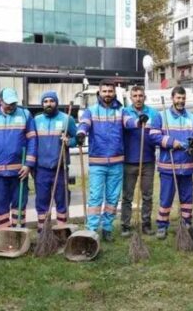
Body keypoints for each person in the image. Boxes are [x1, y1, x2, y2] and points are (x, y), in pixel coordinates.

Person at [0, 87, 37, 230]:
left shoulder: (25, 114)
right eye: (8, 103)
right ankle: (3, 234)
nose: (11, 106)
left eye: (14, 103)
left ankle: (18, 232)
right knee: (0, 205)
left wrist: (29, 164)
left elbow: (32, 140)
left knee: (19, 204)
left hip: (20, 171)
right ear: (0, 101)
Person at [75, 79, 125, 241]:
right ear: (99, 93)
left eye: (110, 91)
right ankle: (92, 229)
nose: (107, 94)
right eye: (105, 91)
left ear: (114, 93)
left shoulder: (121, 111)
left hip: (117, 162)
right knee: (96, 198)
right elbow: (84, 124)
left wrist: (139, 122)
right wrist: (81, 133)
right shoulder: (91, 111)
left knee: (112, 198)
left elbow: (129, 123)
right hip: (97, 162)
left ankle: (108, 229)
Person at [151, 86, 193, 238]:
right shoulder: (161, 116)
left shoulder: (192, 117)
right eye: (178, 98)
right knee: (166, 197)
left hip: (186, 164)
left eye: (183, 98)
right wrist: (172, 142)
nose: (181, 101)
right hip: (168, 165)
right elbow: (153, 136)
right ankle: (162, 225)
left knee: (187, 198)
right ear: (172, 98)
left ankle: (186, 223)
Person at [119, 84, 158, 236]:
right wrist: (138, 122)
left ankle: (146, 224)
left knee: (147, 195)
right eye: (135, 96)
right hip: (129, 160)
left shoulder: (153, 113)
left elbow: (157, 133)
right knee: (127, 196)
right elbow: (127, 123)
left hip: (147, 160)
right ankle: (125, 224)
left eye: (140, 95)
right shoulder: (124, 112)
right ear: (131, 98)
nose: (138, 99)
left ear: (144, 97)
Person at [34, 91, 76, 229]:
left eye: (51, 101)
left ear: (56, 102)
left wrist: (69, 141)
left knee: (61, 200)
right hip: (41, 169)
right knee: (42, 201)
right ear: (42, 104)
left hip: (60, 166)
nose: (48, 104)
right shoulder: (36, 120)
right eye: (45, 101)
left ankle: (62, 231)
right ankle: (43, 232)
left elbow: (77, 139)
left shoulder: (67, 119)